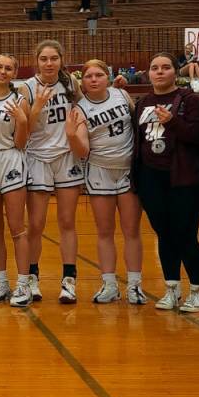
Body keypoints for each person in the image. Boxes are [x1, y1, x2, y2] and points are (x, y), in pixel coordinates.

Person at [132, 53, 199, 312]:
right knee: (164, 235)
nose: (160, 72)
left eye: (166, 67)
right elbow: (138, 143)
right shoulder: (142, 103)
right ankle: (172, 289)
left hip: (184, 179)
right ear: (148, 73)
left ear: (176, 72)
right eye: (154, 68)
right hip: (152, 179)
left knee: (185, 235)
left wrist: (173, 121)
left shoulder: (189, 100)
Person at [67, 59, 144, 305]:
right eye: (88, 76)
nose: (93, 79)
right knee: (105, 231)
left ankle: (135, 285)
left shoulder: (121, 95)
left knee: (131, 230)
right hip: (100, 170)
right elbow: (82, 150)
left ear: (107, 77)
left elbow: (137, 126)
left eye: (99, 74)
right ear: (83, 81)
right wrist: (71, 136)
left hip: (128, 170)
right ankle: (109, 284)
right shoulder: (80, 108)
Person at [18, 40, 83, 306]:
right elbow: (24, 131)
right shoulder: (26, 88)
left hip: (66, 156)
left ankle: (69, 281)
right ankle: (32, 277)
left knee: (67, 222)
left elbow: (82, 111)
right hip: (37, 158)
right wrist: (37, 107)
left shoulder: (71, 85)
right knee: (36, 224)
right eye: (44, 59)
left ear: (61, 60)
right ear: (37, 61)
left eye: (53, 58)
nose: (48, 63)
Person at [0, 53, 32, 304]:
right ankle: (1, 282)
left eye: (8, 68)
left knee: (17, 228)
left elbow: (21, 143)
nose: (2, 71)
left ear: (14, 73)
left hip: (10, 158)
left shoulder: (19, 100)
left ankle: (23, 284)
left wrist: (22, 121)